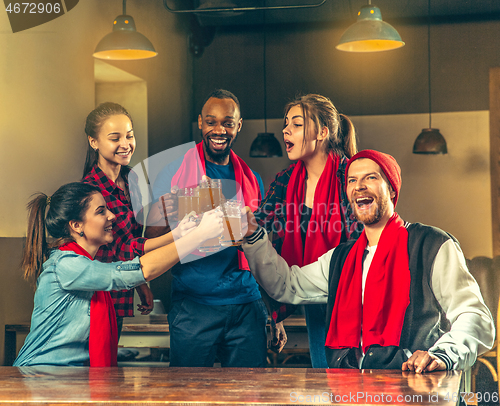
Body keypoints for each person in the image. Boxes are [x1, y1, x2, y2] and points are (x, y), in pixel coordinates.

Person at [242, 149, 494, 372]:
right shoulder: (340, 259)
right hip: (350, 392)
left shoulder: (432, 245)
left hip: (415, 390)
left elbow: (475, 317)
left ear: (392, 189)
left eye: (370, 178)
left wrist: (442, 355)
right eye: (352, 180)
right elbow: (285, 285)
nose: (358, 186)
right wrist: (254, 237)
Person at [15, 182, 223, 367]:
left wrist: (178, 234)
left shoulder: (83, 264)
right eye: (100, 211)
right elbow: (141, 270)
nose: (111, 216)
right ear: (76, 226)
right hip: (41, 376)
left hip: (68, 378)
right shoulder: (65, 265)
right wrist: (199, 236)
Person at [145, 89, 271, 367]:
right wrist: (188, 220)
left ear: (238, 126)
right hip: (193, 306)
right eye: (211, 121)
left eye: (227, 122)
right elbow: (151, 239)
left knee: (250, 396)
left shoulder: (253, 179)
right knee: (188, 395)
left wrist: (270, 310)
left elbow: (261, 249)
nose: (219, 129)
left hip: (246, 306)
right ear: (200, 123)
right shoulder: (173, 175)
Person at [254, 94, 361, 368]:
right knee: (325, 380)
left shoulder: (351, 176)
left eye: (297, 124)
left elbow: (365, 244)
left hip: (356, 301)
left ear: (323, 132)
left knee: (360, 382)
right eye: (286, 123)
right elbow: (258, 231)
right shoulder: (286, 179)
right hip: (312, 300)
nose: (285, 130)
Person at [82, 102, 157, 335]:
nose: (125, 145)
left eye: (129, 136)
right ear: (93, 142)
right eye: (115, 138)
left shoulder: (133, 180)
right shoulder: (89, 191)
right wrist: (180, 238)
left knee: (109, 365)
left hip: (123, 290)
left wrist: (140, 284)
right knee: (95, 368)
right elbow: (119, 247)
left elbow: (133, 236)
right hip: (97, 296)